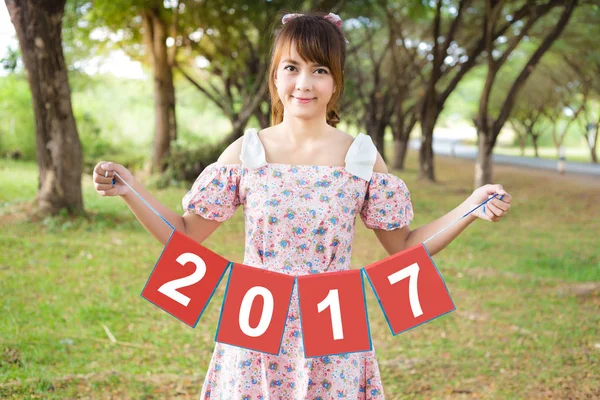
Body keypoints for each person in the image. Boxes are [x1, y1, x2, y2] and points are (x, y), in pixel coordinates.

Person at [92, 11, 512, 399]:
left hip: (333, 333)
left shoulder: (361, 156)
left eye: (320, 70)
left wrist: (471, 207)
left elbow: (403, 248)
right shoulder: (247, 151)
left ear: (336, 81)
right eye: (292, 68)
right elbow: (184, 234)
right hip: (254, 328)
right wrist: (131, 189)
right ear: (276, 76)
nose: (304, 83)